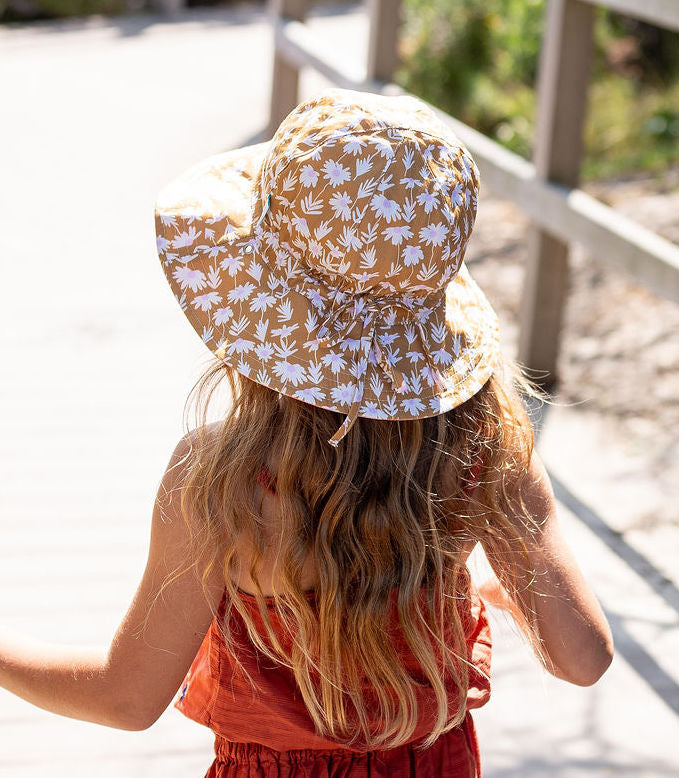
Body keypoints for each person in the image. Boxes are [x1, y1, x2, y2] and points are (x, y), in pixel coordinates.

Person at [0, 88, 613, 777]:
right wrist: (478, 584)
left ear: (261, 301)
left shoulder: (222, 483)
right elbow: (583, 658)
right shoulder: (486, 449)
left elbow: (127, 698)